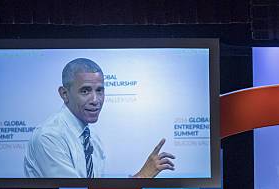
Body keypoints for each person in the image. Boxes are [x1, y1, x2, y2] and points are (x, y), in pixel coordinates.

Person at [24, 58, 175, 178]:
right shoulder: (49, 136)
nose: (95, 99)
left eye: (100, 90)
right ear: (64, 94)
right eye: (85, 91)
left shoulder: (90, 135)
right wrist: (142, 177)